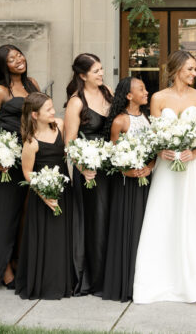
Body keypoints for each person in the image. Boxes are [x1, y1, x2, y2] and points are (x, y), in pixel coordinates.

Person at [132, 50, 196, 303]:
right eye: (190, 69)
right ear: (175, 70)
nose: (194, 73)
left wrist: (194, 150)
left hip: (194, 166)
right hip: (167, 167)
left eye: (195, 69)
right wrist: (161, 149)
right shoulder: (158, 97)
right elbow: (154, 132)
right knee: (167, 215)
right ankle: (162, 279)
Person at [0, 44, 39, 287]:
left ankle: (18, 261)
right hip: (6, 160)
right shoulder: (0, 91)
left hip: (31, 156)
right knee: (4, 215)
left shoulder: (32, 83)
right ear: (4, 65)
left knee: (26, 213)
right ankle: (2, 270)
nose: (18, 60)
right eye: (11, 59)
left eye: (19, 54)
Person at [15, 92, 75, 300]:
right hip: (43, 195)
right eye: (47, 109)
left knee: (62, 237)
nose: (53, 111)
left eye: (52, 107)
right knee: (45, 238)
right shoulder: (31, 142)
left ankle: (62, 281)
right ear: (34, 115)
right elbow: (27, 172)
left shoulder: (59, 124)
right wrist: (44, 195)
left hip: (63, 189)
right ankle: (43, 284)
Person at [64, 52, 114, 296]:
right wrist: (84, 169)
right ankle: (92, 277)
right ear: (83, 76)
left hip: (111, 165)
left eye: (101, 69)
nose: (101, 74)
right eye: (96, 71)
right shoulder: (76, 102)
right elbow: (70, 142)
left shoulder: (108, 92)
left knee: (109, 219)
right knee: (95, 220)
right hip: (89, 169)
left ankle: (109, 273)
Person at [100, 77, 153, 302]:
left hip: (146, 182)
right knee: (127, 229)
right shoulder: (120, 121)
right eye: (141, 89)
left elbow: (154, 150)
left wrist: (149, 167)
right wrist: (127, 170)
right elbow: (113, 154)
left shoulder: (148, 118)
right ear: (129, 96)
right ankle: (124, 283)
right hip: (126, 185)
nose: (146, 92)